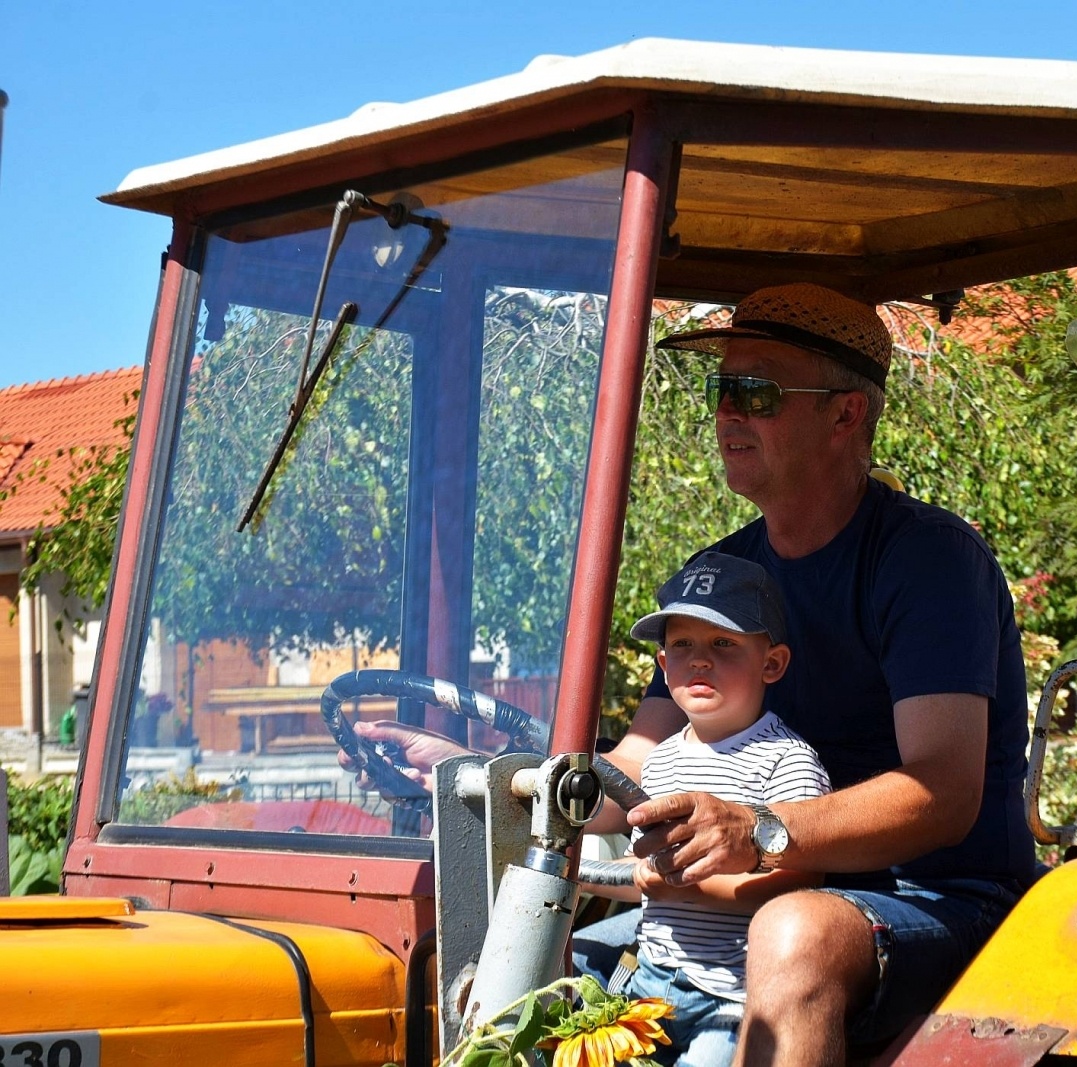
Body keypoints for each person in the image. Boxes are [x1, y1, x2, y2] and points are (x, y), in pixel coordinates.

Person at [353, 282, 1033, 1067]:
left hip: (936, 900)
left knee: (794, 930)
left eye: (757, 390)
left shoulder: (925, 561)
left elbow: (943, 792)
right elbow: (637, 771)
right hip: (758, 894)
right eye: (722, 389)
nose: (727, 413)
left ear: (847, 413)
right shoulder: (723, 578)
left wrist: (760, 830)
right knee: (515, 972)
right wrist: (492, 778)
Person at [585, 552, 831, 1067]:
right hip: (649, 974)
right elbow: (642, 875)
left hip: (732, 994)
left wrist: (680, 881)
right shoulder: (661, 761)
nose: (700, 659)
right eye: (682, 645)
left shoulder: (787, 761)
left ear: (772, 663)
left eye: (723, 643)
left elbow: (798, 887)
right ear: (663, 665)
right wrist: (579, 875)